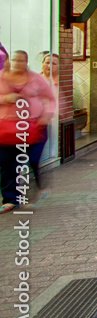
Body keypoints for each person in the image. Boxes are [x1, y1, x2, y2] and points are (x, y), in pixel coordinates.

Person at [0, 50, 55, 211]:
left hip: (32, 127)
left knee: (33, 159)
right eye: (15, 60)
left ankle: (37, 188)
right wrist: (5, 99)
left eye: (21, 61)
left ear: (27, 62)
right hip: (6, 129)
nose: (18, 63)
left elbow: (49, 99)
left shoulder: (35, 79)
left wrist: (46, 115)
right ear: (10, 61)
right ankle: (10, 199)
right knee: (6, 165)